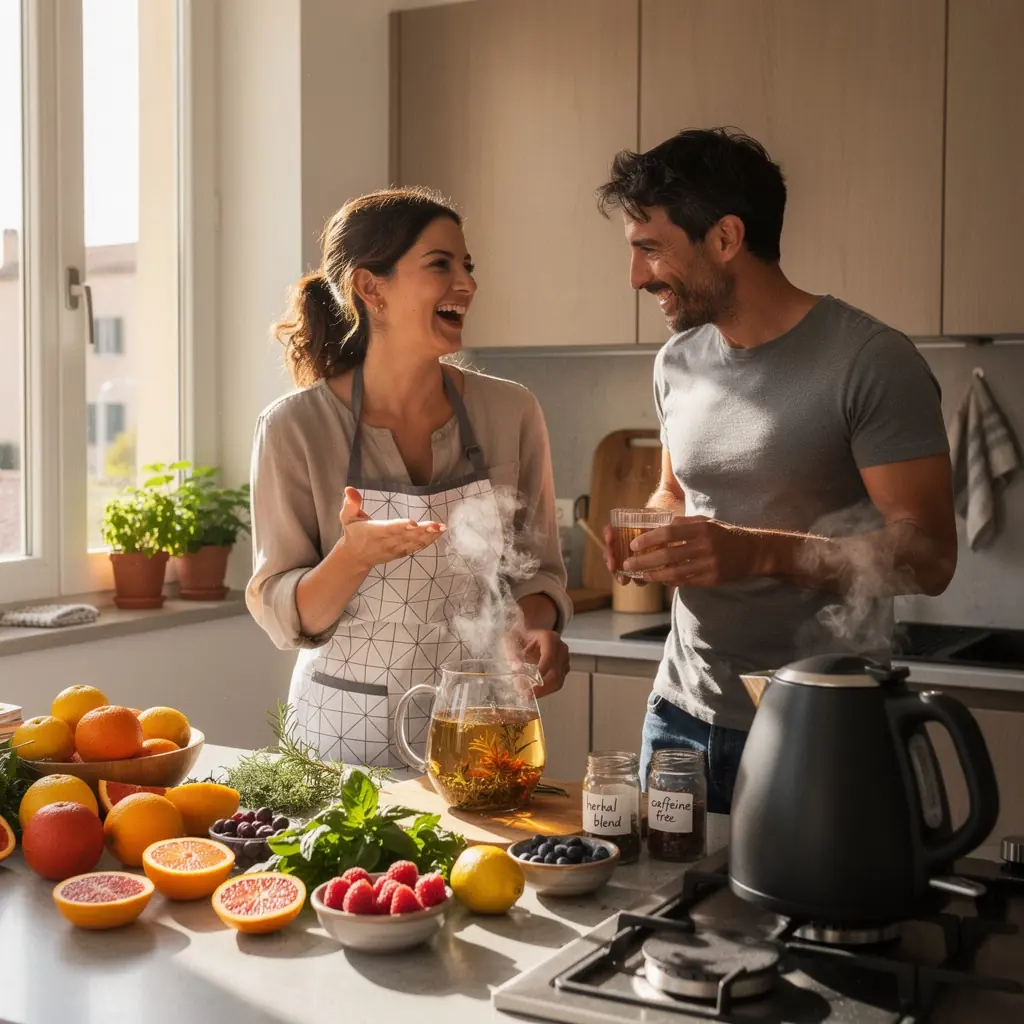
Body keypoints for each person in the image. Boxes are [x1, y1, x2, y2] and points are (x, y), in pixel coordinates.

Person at [596, 128, 957, 813]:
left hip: (821, 722)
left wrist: (755, 551)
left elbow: (929, 556)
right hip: (678, 718)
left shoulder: (871, 362)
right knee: (664, 912)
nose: (637, 277)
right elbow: (675, 490)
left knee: (807, 920)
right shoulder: (677, 361)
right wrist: (657, 532)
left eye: (651, 249)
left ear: (726, 238)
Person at [247, 187, 571, 767]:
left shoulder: (511, 412)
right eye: (440, 264)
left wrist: (529, 630)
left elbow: (538, 573)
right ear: (372, 289)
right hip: (340, 741)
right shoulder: (294, 428)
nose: (467, 284)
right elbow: (286, 616)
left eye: (467, 266)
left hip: (481, 723)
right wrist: (352, 557)